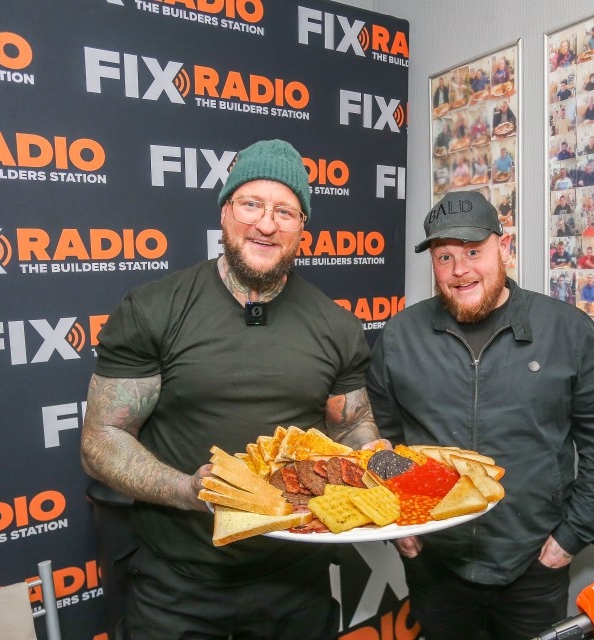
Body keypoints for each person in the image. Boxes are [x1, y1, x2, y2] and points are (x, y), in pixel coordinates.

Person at [81, 139, 385, 640]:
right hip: (178, 586)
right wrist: (190, 491)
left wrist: (376, 461)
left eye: (285, 211)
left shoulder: (337, 326)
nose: (267, 224)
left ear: (302, 229)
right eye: (251, 204)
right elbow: (101, 440)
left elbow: (352, 423)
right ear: (225, 212)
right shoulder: (154, 309)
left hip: (297, 581)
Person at [366, 190, 594, 640]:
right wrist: (397, 527)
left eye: (473, 252)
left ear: (502, 249)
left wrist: (568, 541)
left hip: (533, 565)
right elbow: (380, 439)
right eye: (444, 257)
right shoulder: (400, 336)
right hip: (435, 564)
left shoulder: (566, 330)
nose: (460, 269)